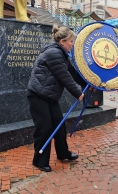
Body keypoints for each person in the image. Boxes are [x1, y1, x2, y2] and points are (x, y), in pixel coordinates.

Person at [27, 25, 87, 172]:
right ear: (63, 42)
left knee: (59, 126)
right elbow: (64, 77)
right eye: (71, 41)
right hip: (38, 96)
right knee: (45, 128)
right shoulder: (54, 53)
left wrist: (87, 84)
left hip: (49, 97)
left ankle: (63, 153)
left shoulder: (61, 54)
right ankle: (39, 161)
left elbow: (72, 72)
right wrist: (78, 93)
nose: (72, 44)